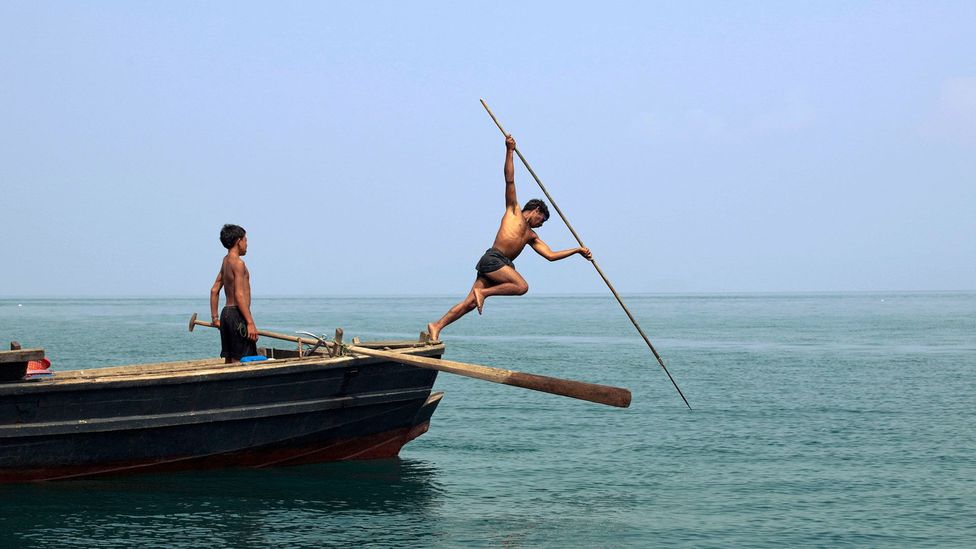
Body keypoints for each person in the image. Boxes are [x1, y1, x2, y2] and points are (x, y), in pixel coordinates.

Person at [426, 135, 592, 341]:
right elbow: (509, 179)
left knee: (469, 303)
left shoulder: (532, 236)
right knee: (522, 287)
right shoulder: (513, 211)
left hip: (500, 265)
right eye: (542, 220)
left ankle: (436, 326)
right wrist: (509, 150)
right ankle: (484, 294)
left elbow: (550, 255)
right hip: (494, 259)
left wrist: (577, 250)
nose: (541, 224)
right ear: (537, 210)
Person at [210, 224, 258, 363]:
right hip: (237, 315)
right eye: (245, 240)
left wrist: (215, 319)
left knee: (229, 358)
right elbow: (239, 294)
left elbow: (214, 290)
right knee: (241, 359)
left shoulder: (226, 261)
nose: (247, 244)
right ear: (238, 241)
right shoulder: (238, 263)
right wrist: (250, 323)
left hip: (226, 315)